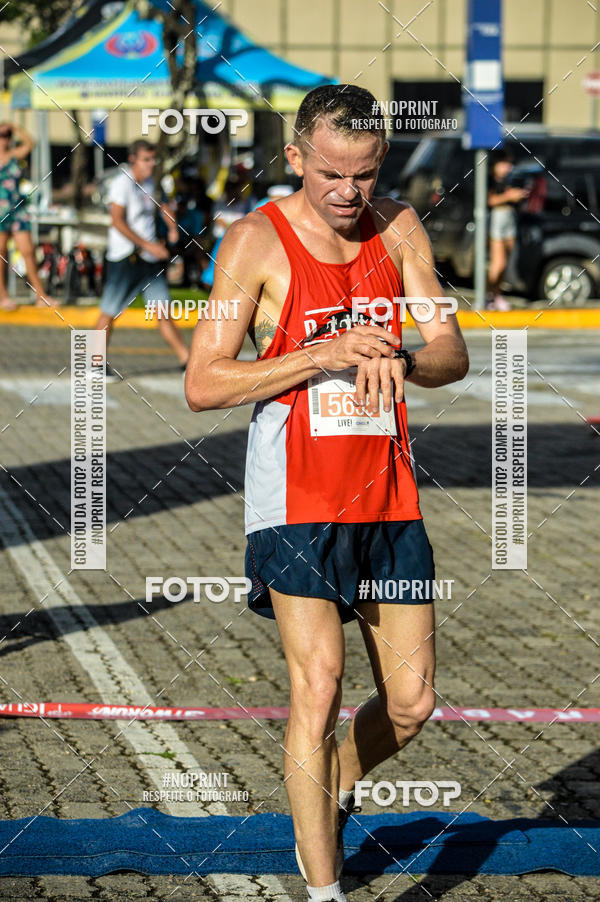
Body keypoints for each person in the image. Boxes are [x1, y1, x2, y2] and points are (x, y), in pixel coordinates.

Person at [185, 84, 469, 902]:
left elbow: (451, 354)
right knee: (320, 684)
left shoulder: (400, 226)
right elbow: (204, 382)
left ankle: (330, 778)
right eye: (332, 175)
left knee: (412, 703)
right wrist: (322, 354)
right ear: (297, 158)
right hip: (297, 498)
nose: (348, 193)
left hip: (389, 498)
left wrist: (402, 362)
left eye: (365, 175)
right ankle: (324, 892)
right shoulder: (254, 241)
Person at [94, 139, 189, 377]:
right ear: (133, 159)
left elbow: (163, 206)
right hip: (126, 257)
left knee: (162, 310)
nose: (151, 164)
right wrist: (149, 245)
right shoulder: (121, 184)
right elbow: (117, 221)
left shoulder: (150, 183)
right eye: (146, 160)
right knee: (109, 311)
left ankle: (187, 361)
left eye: (153, 159)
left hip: (150, 259)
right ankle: (93, 364)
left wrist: (172, 227)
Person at [0, 121, 59, 310]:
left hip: (17, 209)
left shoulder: (14, 155)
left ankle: (41, 295)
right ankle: (3, 296)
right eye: (1, 135)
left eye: (7, 135)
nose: (4, 139)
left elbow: (30, 143)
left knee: (28, 251)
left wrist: (15, 127)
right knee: (1, 253)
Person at [487, 150, 529, 311]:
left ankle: (497, 295)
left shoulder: (512, 179)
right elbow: (489, 200)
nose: (507, 168)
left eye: (509, 164)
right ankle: (487, 295)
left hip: (510, 217)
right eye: (504, 164)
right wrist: (509, 196)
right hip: (497, 218)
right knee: (498, 263)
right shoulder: (490, 180)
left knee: (506, 263)